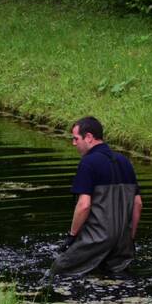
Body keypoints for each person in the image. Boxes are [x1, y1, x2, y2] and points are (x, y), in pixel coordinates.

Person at [48, 116, 143, 279]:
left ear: (89, 137)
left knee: (57, 271)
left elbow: (84, 205)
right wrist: (130, 238)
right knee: (116, 277)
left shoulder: (88, 163)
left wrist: (72, 236)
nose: (73, 143)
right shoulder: (124, 161)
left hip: (96, 238)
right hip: (123, 241)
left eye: (76, 139)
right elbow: (138, 204)